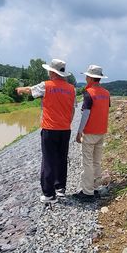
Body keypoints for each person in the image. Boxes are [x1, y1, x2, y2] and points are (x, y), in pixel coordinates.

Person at [16, 59, 76, 204]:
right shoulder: (71, 89)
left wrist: (20, 89)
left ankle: (49, 194)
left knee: (48, 160)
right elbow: (73, 109)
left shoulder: (46, 86)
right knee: (62, 159)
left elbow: (31, 90)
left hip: (50, 129)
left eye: (49, 70)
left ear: (52, 72)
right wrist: (67, 122)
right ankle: (60, 188)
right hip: (65, 129)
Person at [72, 64, 110, 202]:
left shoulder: (89, 93)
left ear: (91, 78)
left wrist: (79, 132)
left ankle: (87, 192)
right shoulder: (106, 93)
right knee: (96, 161)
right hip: (101, 132)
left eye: (87, 76)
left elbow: (86, 113)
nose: (86, 78)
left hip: (90, 132)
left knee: (87, 162)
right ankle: (95, 187)